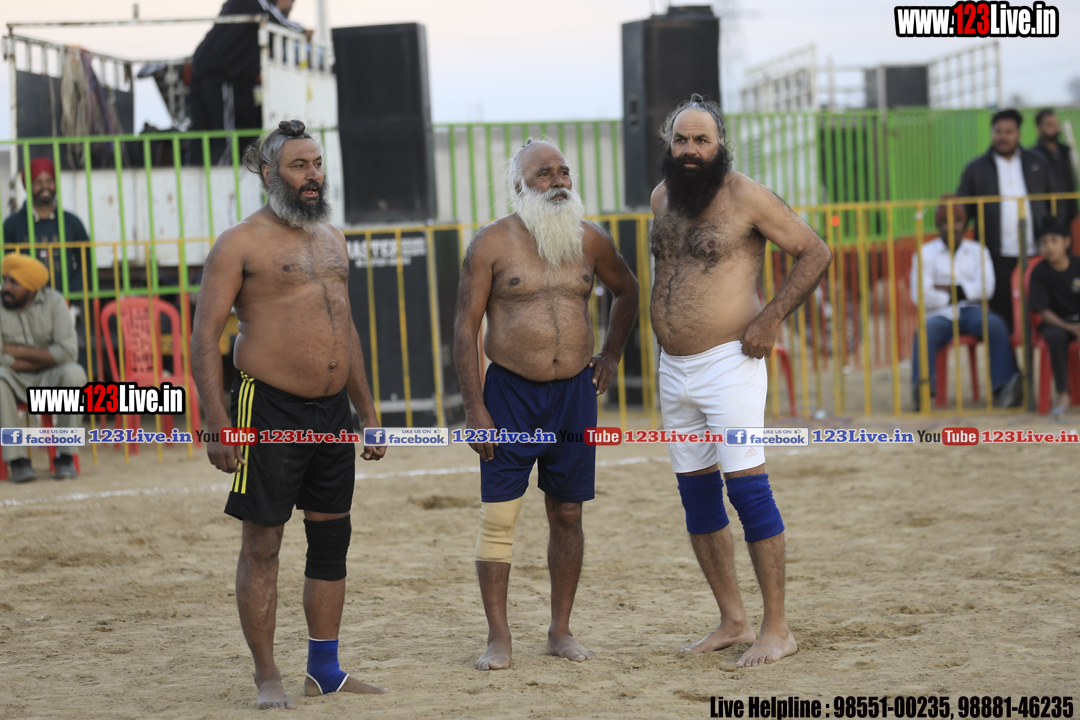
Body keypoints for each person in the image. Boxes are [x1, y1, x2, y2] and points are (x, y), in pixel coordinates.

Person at [190, 120, 386, 710]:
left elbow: (345, 328)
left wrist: (368, 411)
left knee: (331, 540)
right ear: (268, 173)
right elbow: (204, 339)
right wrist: (218, 422)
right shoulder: (239, 243)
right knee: (263, 543)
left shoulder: (332, 237)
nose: (313, 175)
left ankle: (324, 669)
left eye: (317, 163)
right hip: (268, 408)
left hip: (332, 413)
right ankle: (267, 674)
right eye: (299, 166)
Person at [649, 94, 831, 667]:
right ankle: (733, 620)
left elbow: (814, 251)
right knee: (696, 496)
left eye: (701, 140)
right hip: (673, 368)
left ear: (720, 144)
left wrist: (770, 317)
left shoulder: (747, 196)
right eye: (681, 139)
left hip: (731, 362)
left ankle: (777, 629)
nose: (690, 149)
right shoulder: (661, 197)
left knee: (748, 490)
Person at [453, 139, 639, 671]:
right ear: (519, 185)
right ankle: (499, 637)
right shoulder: (491, 243)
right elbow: (464, 328)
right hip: (509, 395)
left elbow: (627, 291)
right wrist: (475, 409)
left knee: (568, 512)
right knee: (500, 517)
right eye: (543, 173)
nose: (558, 181)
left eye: (563, 171)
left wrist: (611, 354)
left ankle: (560, 630)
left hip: (574, 396)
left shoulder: (590, 239)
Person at [909, 199, 1022, 410]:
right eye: (946, 222)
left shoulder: (978, 251)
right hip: (939, 314)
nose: (952, 227)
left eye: (957, 221)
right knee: (924, 332)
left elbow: (987, 288)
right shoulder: (924, 253)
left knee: (996, 325)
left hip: (972, 311)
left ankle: (1004, 387)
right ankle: (922, 387)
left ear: (964, 224)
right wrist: (964, 291)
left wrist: (947, 289)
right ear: (939, 225)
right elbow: (920, 295)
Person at [956, 109, 1050, 334]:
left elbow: (1056, 202)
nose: (1003, 137)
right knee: (1003, 316)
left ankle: (1037, 356)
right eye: (998, 132)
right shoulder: (976, 168)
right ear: (992, 133)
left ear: (1018, 134)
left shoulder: (1037, 163)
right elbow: (962, 211)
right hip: (997, 256)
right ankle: (1009, 357)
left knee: (1040, 312)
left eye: (1009, 132)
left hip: (1036, 253)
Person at [0, 253, 86, 483]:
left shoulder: (54, 302)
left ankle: (65, 457)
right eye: (5, 280)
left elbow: (68, 352)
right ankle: (17, 460)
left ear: (31, 286)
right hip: (13, 379)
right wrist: (46, 356)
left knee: (74, 373)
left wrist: (15, 351)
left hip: (49, 379)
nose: (6, 287)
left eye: (14, 282)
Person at [190, 0, 310, 164]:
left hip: (207, 72)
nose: (291, 4)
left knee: (203, 135)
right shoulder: (257, 3)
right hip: (222, 76)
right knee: (227, 138)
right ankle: (225, 177)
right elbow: (278, 23)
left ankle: (198, 174)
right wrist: (303, 30)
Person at [2, 158, 89, 294]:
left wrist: (72, 291)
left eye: (49, 181)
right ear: (28, 186)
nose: (45, 187)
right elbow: (5, 265)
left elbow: (86, 263)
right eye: (37, 182)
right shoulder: (12, 224)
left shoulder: (72, 222)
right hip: (26, 301)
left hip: (65, 299)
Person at [1029, 216, 1080, 416]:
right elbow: (1042, 311)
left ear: (1066, 241)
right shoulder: (1039, 272)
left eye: (1054, 240)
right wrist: (1070, 329)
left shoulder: (1078, 265)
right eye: (1044, 242)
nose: (1049, 246)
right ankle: (1062, 393)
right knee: (1056, 338)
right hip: (1057, 324)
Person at [1030, 109, 1079, 242]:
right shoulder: (1033, 155)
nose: (1055, 128)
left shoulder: (1065, 151)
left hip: (1067, 217)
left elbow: (1071, 181)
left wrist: (1074, 210)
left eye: (1056, 124)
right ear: (1039, 128)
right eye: (1049, 125)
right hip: (1045, 218)